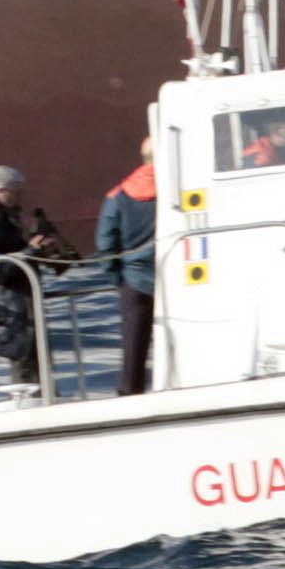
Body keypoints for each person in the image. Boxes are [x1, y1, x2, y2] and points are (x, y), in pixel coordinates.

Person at [0, 165, 74, 386]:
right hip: (9, 314)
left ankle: (42, 407)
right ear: (2, 191)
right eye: (17, 192)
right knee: (28, 380)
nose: (21, 198)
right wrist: (31, 251)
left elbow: (14, 255)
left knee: (39, 375)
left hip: (20, 311)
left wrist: (40, 251)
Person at [94, 153, 161, 395]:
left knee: (133, 346)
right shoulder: (173, 188)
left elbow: (105, 243)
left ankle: (130, 393)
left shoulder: (118, 195)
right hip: (173, 278)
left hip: (135, 280)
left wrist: (118, 279)